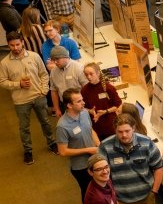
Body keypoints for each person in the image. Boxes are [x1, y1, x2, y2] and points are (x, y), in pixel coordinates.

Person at [0, 31, 56, 165]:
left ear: (22, 43)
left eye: (18, 44)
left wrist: (44, 90)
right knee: (24, 128)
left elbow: (44, 74)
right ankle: (28, 151)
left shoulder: (34, 56)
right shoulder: (4, 63)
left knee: (46, 122)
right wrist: (18, 84)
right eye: (12, 45)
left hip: (38, 96)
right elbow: (2, 81)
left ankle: (52, 143)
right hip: (20, 101)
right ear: (8, 45)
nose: (15, 48)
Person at [98, 114, 163, 204]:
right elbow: (100, 173)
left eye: (127, 131)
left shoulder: (147, 143)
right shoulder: (105, 146)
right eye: (120, 132)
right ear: (115, 130)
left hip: (146, 197)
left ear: (133, 128)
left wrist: (154, 192)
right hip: (120, 199)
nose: (124, 135)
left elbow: (158, 167)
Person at [56, 88, 100, 200]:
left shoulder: (84, 113)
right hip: (81, 167)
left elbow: (91, 130)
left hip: (95, 160)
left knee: (100, 190)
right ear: (69, 105)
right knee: (88, 193)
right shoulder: (62, 126)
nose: (83, 103)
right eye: (79, 101)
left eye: (82, 99)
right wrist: (88, 150)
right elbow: (63, 151)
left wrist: (98, 145)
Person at [81, 63, 121, 141]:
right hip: (96, 126)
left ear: (98, 73)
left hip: (111, 126)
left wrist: (105, 111)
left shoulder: (109, 88)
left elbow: (117, 105)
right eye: (86, 75)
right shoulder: (84, 90)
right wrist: (90, 111)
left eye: (91, 74)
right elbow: (82, 107)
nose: (88, 77)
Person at [49, 46, 88, 117]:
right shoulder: (53, 72)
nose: (55, 62)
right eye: (53, 60)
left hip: (79, 104)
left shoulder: (78, 68)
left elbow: (87, 88)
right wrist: (57, 109)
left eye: (57, 59)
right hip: (64, 105)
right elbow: (53, 91)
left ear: (65, 56)